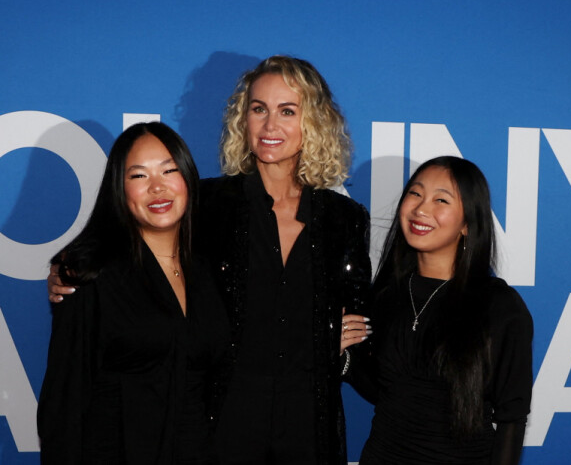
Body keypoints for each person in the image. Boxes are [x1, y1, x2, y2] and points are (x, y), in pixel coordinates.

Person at [48, 56, 372, 465]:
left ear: (314, 122)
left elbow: (363, 328)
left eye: (287, 110)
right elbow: (135, 241)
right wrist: (69, 270)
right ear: (243, 119)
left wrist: (340, 354)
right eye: (259, 109)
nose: (271, 125)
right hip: (218, 431)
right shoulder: (207, 205)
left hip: (309, 430)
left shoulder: (344, 220)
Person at [38, 122, 228, 465]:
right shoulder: (88, 274)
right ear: (119, 190)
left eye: (169, 170)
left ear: (188, 179)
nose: (158, 187)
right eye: (139, 176)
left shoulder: (210, 269)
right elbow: (63, 404)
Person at [345, 156, 533, 465]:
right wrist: (345, 359)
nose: (421, 209)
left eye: (441, 200)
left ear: (467, 225)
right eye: (415, 193)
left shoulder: (500, 307)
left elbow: (512, 420)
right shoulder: (386, 295)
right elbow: (389, 392)